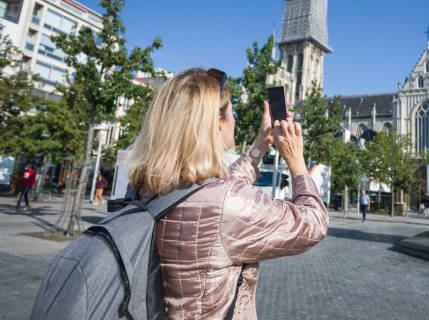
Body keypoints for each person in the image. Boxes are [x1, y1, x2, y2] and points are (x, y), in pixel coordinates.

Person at [128, 68, 328, 319]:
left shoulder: (142, 187)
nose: (234, 120)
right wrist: (296, 161)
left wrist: (259, 146)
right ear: (218, 123)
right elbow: (313, 223)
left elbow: (209, 196)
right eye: (231, 113)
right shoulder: (225, 203)